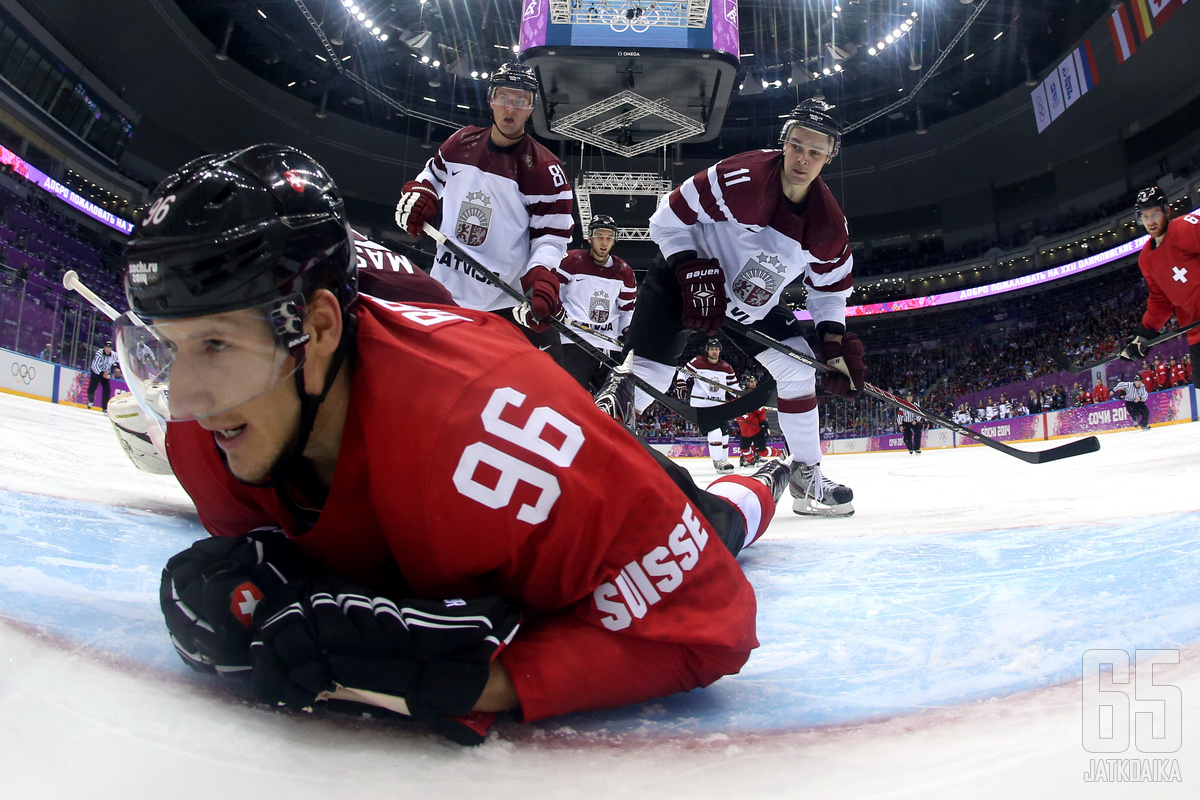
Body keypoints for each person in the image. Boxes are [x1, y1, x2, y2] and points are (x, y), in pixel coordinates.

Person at [115, 144, 792, 746]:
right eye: (170, 349)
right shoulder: (209, 434)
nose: (187, 403)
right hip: (448, 408)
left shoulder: (486, 433)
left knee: (710, 521)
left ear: (317, 330)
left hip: (533, 422)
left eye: (214, 345)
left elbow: (710, 628)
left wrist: (475, 682)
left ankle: (761, 480)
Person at [624, 99, 864, 517]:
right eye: (797, 146)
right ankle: (587, 457)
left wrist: (834, 346)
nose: (802, 159)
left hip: (752, 303)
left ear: (830, 156)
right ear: (784, 142)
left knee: (800, 369)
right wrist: (690, 268)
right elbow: (665, 218)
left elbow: (829, 290)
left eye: (815, 152)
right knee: (649, 375)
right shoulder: (739, 177)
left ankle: (806, 478)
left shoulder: (829, 226)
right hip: (687, 279)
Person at [394, 63, 573, 360]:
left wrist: (541, 273)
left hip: (504, 305)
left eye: (521, 101)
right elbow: (432, 176)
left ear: (532, 108)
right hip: (444, 291)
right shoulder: (460, 142)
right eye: (504, 97)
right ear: (491, 100)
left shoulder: (546, 170)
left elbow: (552, 239)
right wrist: (422, 193)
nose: (510, 109)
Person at [1120, 185, 1200, 374]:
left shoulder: (1187, 226)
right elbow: (1160, 302)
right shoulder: (1146, 258)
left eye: (1154, 214)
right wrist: (1141, 337)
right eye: (1145, 217)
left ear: (1166, 211)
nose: (1150, 222)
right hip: (1196, 336)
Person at [555, 215, 637, 391]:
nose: (604, 242)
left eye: (609, 237)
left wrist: (627, 331)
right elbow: (554, 290)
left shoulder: (624, 272)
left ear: (614, 241)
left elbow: (627, 309)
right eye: (599, 236)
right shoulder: (571, 261)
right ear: (590, 237)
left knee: (606, 404)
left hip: (607, 345)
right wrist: (554, 307)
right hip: (573, 339)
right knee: (570, 395)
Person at [675, 338, 740, 473]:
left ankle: (724, 461)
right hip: (702, 404)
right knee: (714, 432)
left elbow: (733, 387)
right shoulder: (698, 362)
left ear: (720, 351)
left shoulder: (726, 367)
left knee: (724, 434)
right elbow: (683, 372)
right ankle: (718, 462)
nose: (714, 352)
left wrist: (743, 397)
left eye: (716, 349)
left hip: (719, 406)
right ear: (707, 350)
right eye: (711, 349)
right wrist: (681, 383)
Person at [733, 375, 772, 468]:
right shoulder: (745, 392)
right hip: (746, 419)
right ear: (746, 383)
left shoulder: (756, 392)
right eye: (751, 382)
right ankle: (745, 457)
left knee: (758, 438)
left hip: (754, 419)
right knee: (748, 438)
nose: (754, 383)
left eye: (754, 381)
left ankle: (754, 456)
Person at [86, 340, 117, 410]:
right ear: (104, 347)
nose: (108, 349)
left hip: (106, 373)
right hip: (96, 373)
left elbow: (117, 360)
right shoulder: (99, 353)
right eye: (107, 347)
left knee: (107, 390)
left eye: (109, 348)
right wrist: (102, 373)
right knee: (91, 390)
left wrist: (115, 368)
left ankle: (105, 407)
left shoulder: (113, 355)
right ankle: (90, 401)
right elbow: (94, 365)